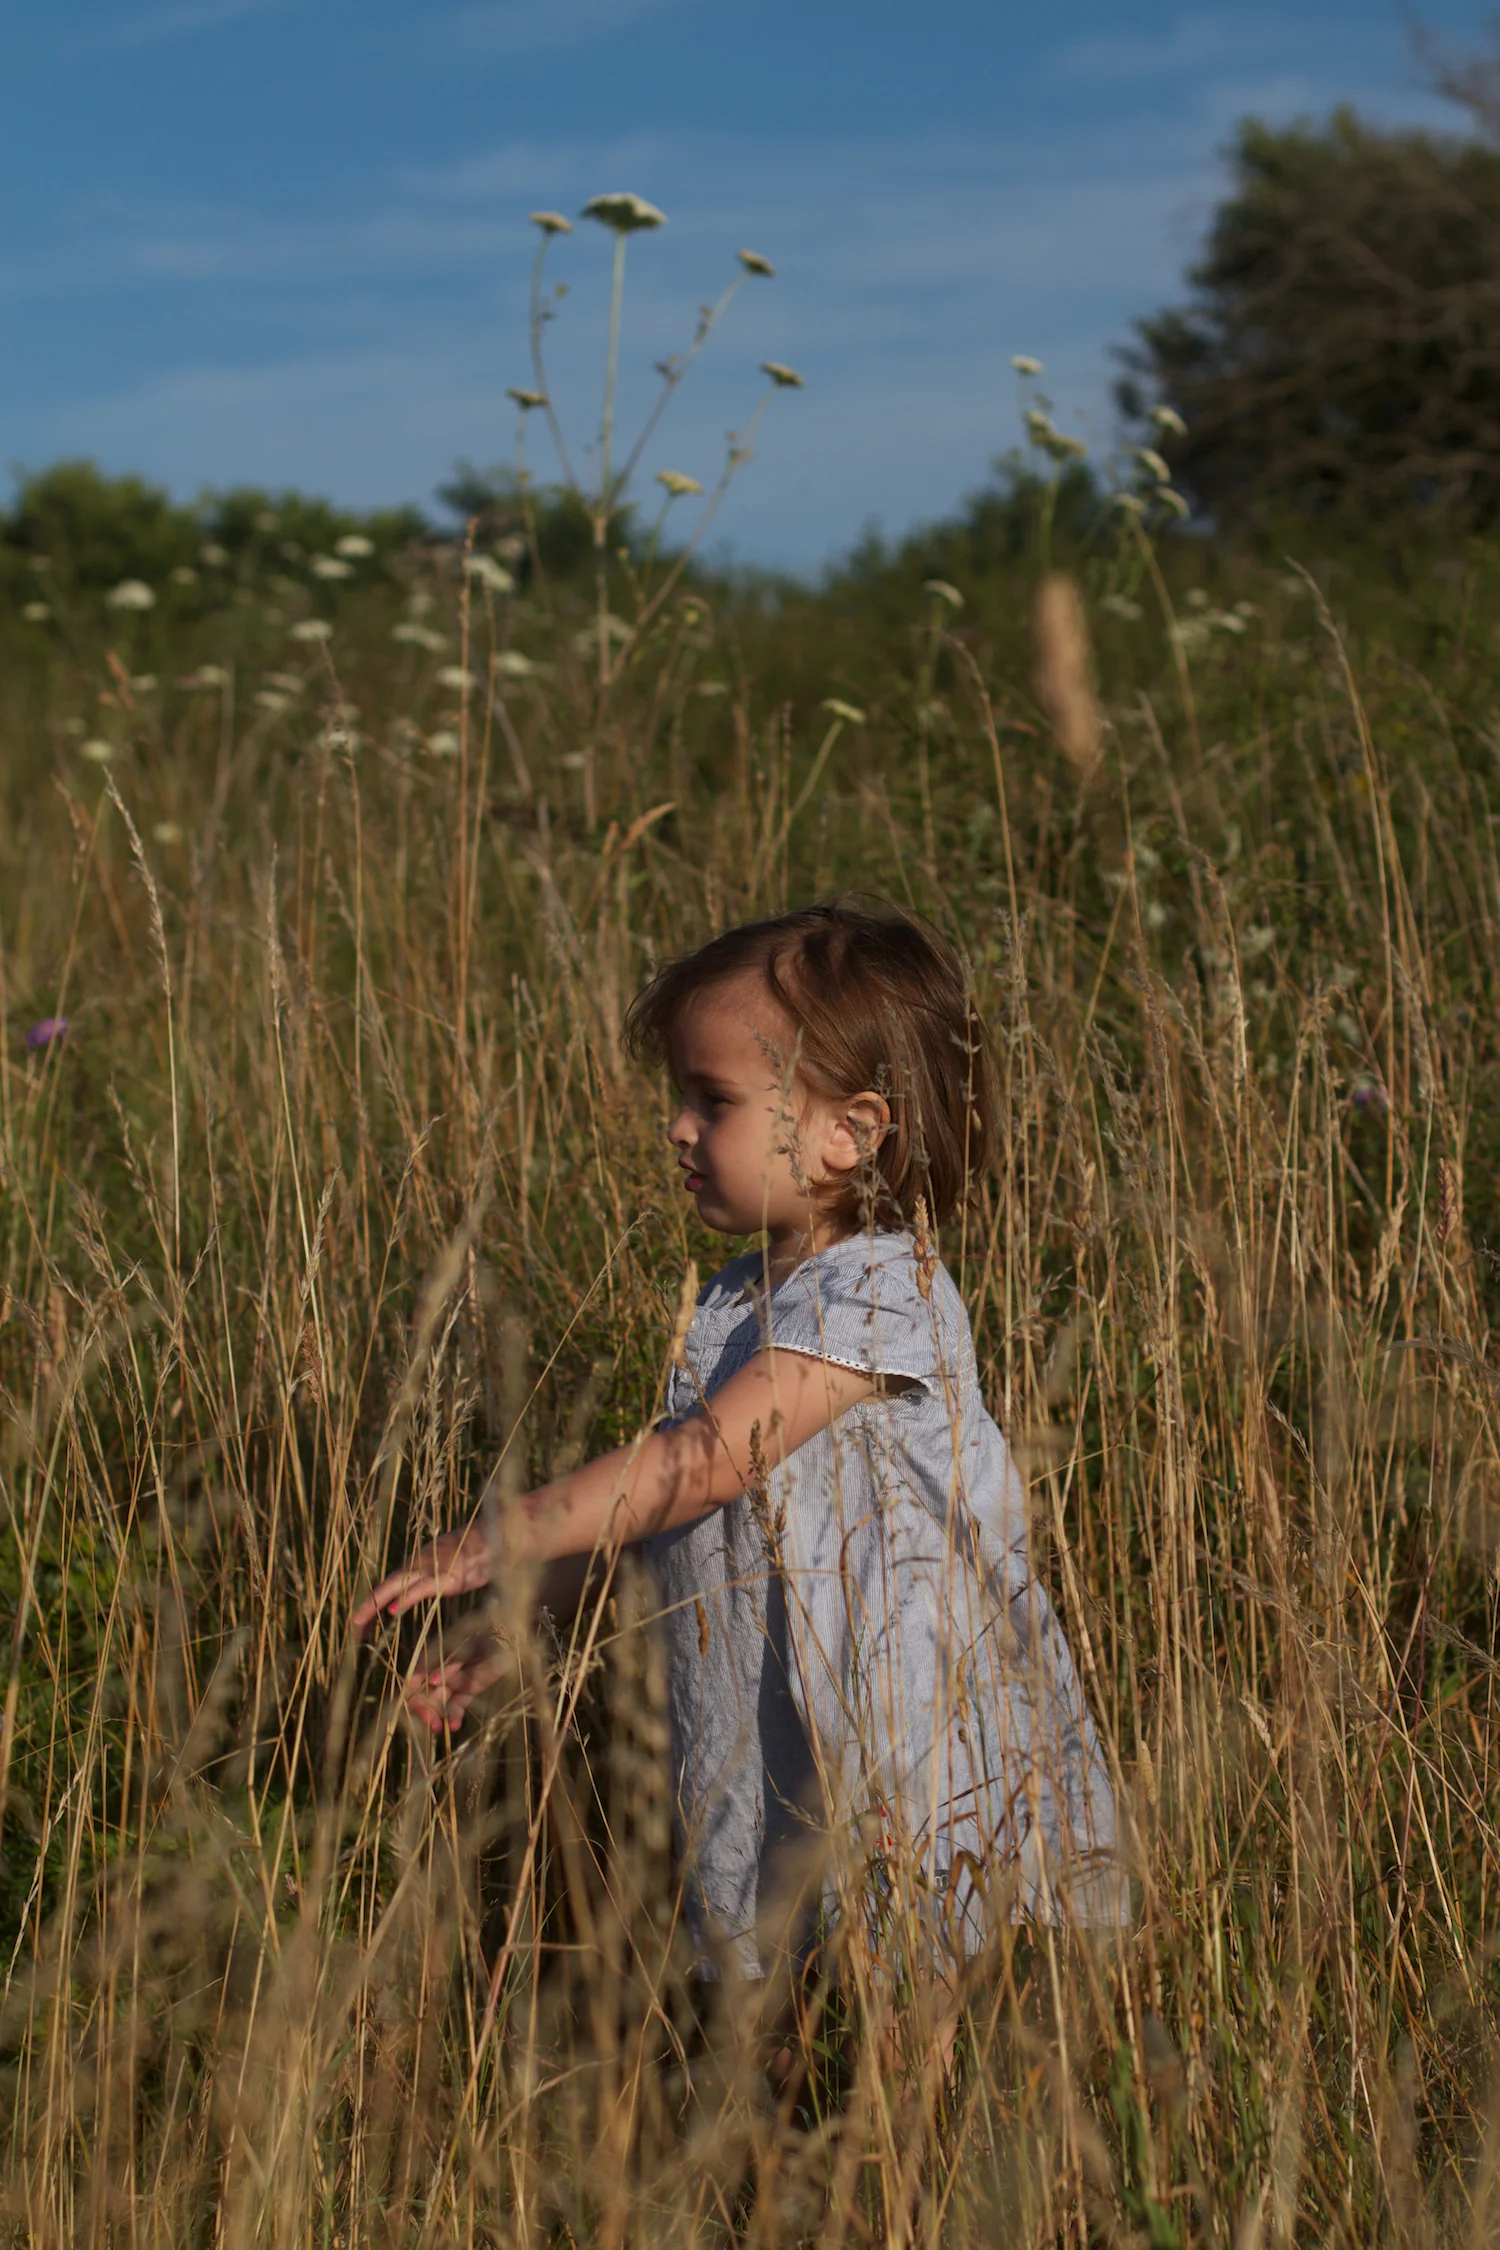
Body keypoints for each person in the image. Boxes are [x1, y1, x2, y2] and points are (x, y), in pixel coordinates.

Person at [354, 902, 1121, 2001]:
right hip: (770, 1721)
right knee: (777, 1965)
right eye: (681, 1095)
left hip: (890, 1728)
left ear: (850, 1130)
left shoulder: (878, 1295)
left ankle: (908, 2151)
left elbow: (705, 1463)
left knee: (914, 1981)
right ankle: (777, 2142)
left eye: (712, 1101)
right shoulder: (741, 1298)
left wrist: (502, 1533)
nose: (676, 1127)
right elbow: (669, 1504)